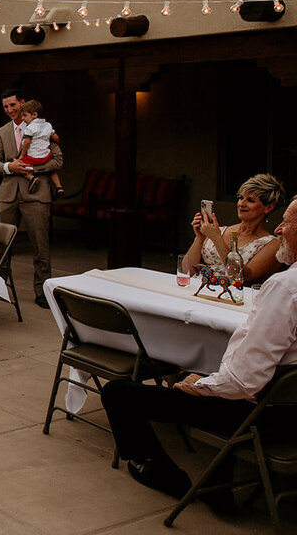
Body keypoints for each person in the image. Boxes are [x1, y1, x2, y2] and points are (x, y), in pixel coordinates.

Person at [101, 196, 297, 509]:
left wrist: (200, 385)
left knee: (117, 393)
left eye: (288, 222)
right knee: (214, 373)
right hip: (286, 405)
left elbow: (243, 383)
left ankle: (162, 473)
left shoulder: (286, 288)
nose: (280, 230)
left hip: (263, 412)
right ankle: (219, 491)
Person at [0, 89, 62, 309]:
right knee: (2, 244)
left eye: (13, 105)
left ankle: (43, 291)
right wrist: (9, 166)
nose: (10, 110)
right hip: (8, 194)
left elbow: (58, 160)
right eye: (5, 107)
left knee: (40, 245)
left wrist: (34, 167)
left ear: (23, 104)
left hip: (36, 193)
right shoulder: (2, 131)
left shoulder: (42, 127)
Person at [181, 173, 285, 285]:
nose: (241, 204)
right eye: (240, 198)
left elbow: (244, 276)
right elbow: (187, 270)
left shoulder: (272, 244)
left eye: (250, 200)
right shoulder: (219, 230)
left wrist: (216, 238)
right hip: (197, 290)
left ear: (268, 207)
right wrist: (199, 238)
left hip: (231, 296)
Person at [16, 100, 64, 198]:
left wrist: (22, 155)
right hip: (46, 156)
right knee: (52, 171)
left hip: (34, 158)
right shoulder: (48, 125)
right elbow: (56, 137)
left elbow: (27, 142)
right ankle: (59, 186)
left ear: (34, 115)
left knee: (19, 166)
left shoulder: (29, 128)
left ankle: (32, 178)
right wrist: (56, 142)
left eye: (25, 115)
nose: (22, 118)